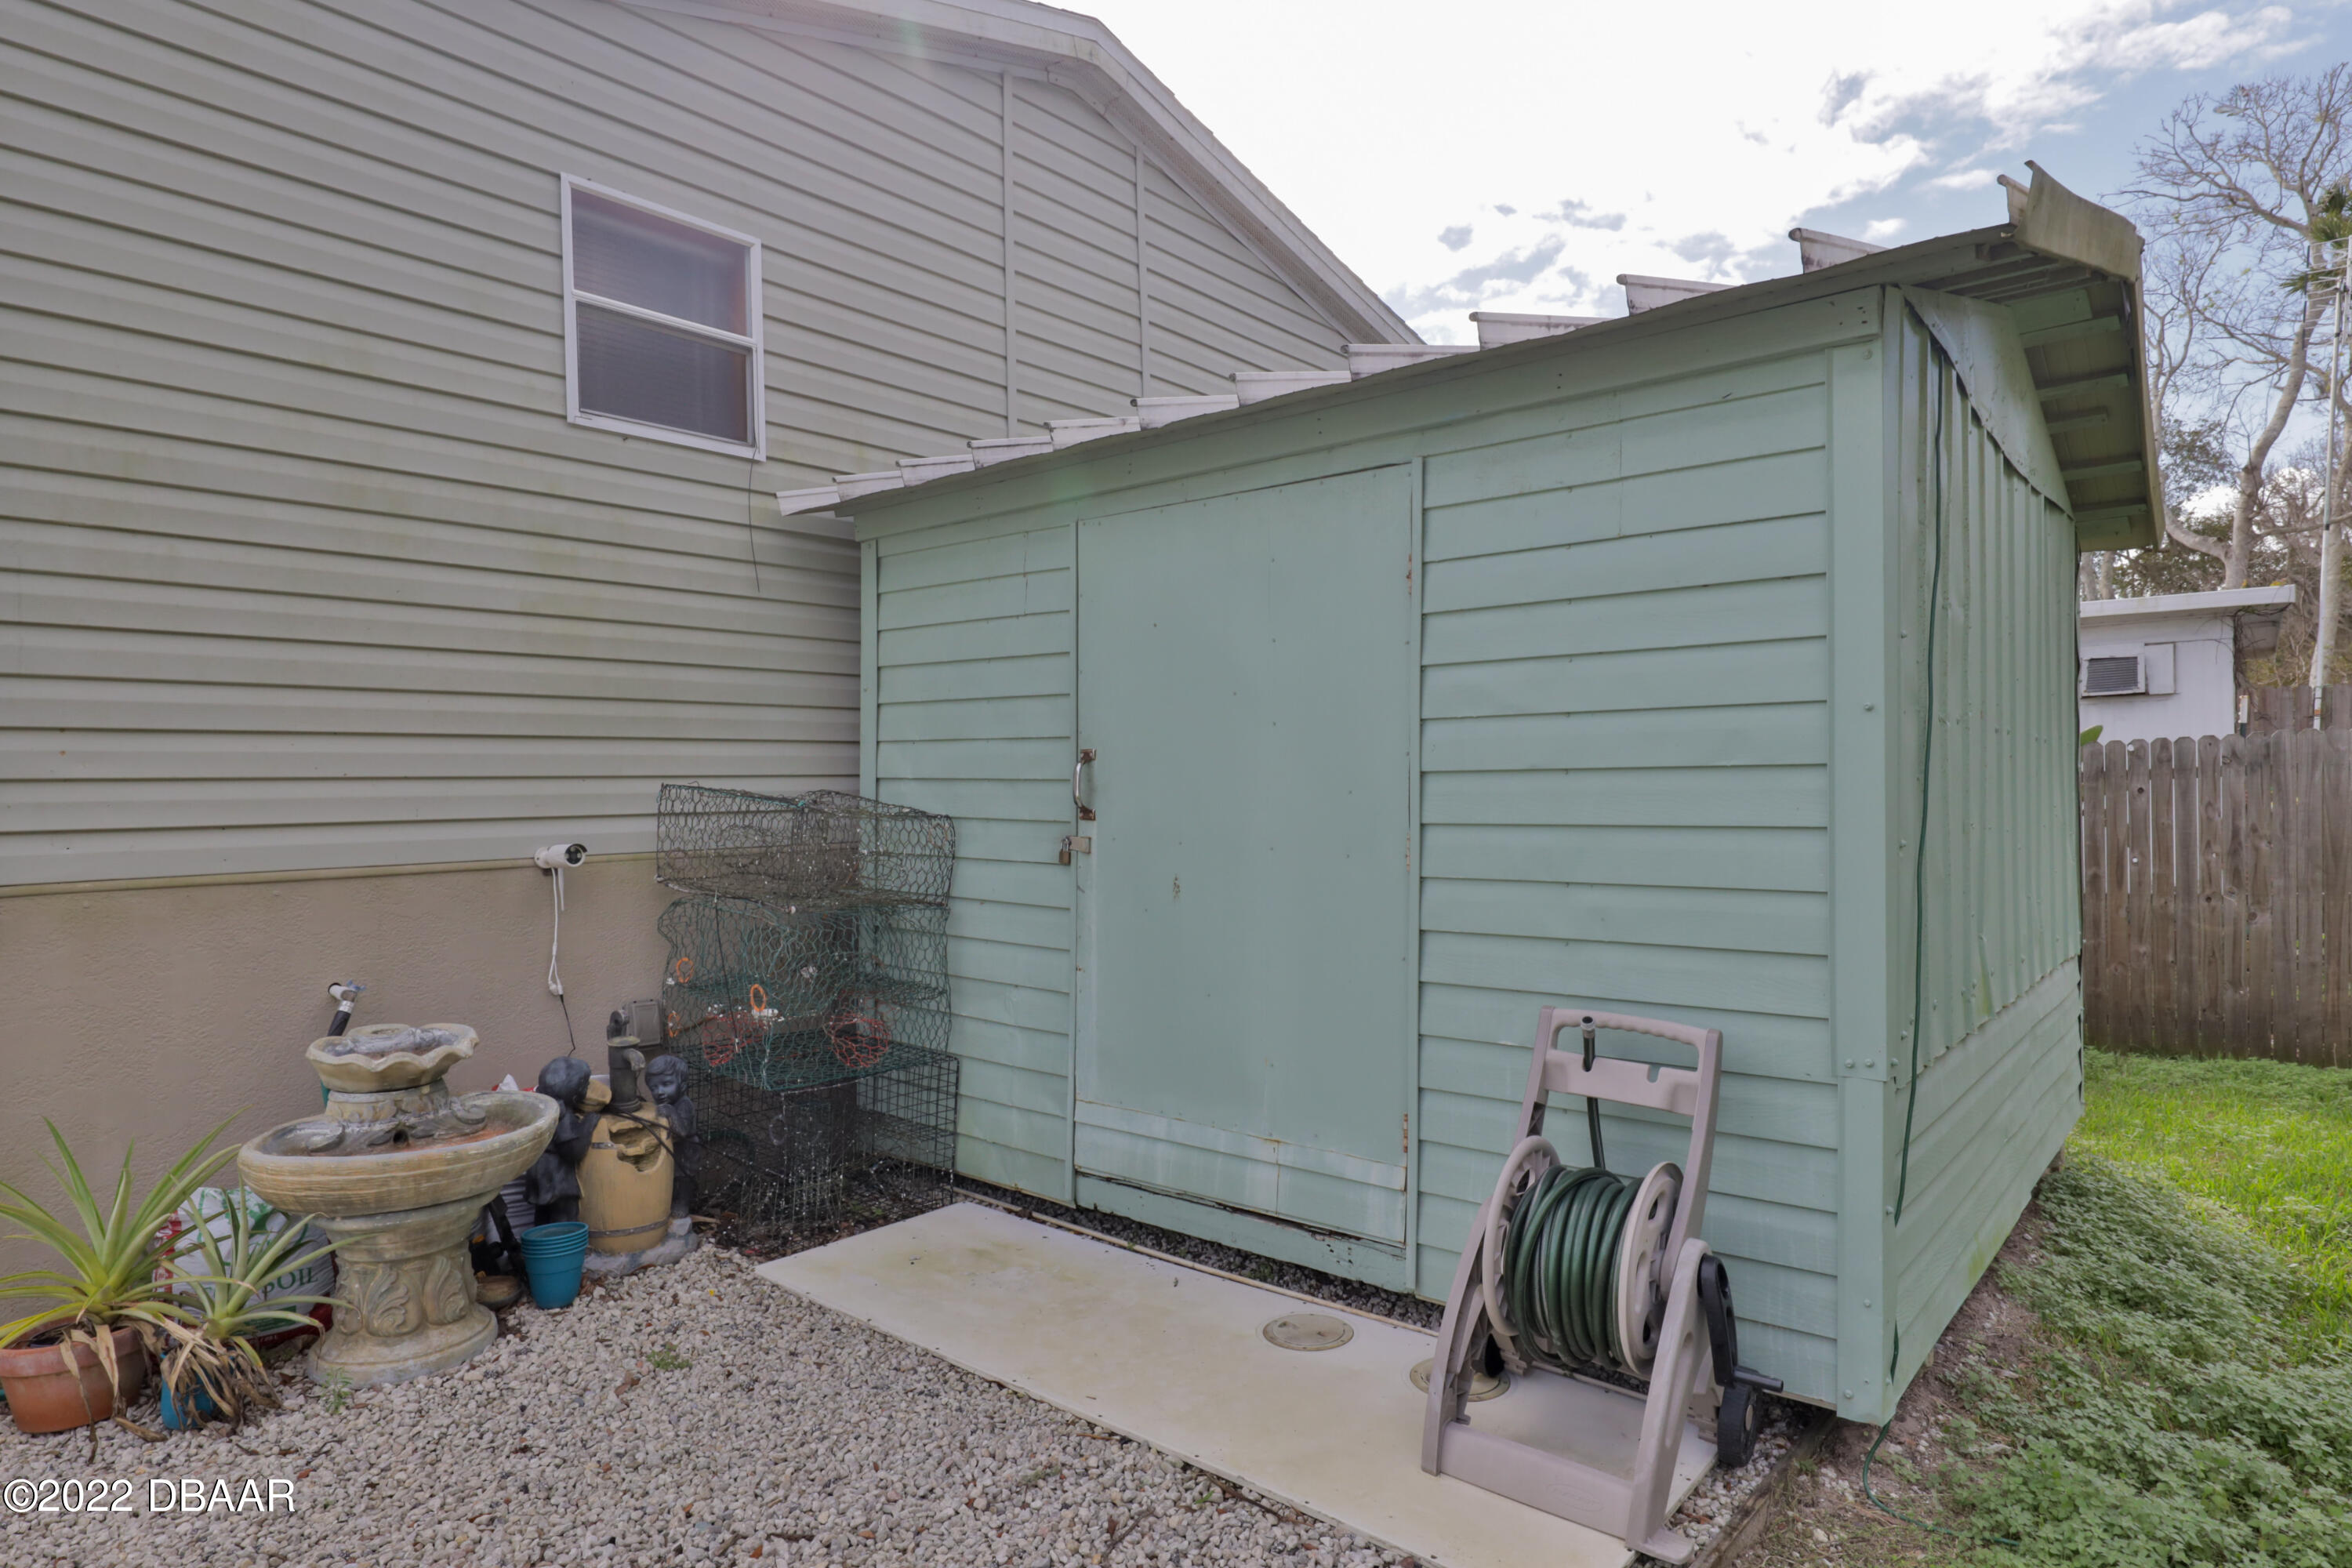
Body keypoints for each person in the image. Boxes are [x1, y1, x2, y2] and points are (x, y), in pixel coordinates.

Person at [524, 1055, 594, 1225]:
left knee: (543, 1216)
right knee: (565, 1216)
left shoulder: (541, 1108)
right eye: (586, 1085)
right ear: (577, 1094)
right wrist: (589, 1123)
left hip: (537, 1172)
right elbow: (573, 1151)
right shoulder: (563, 1115)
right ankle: (562, 1250)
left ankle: (539, 1249)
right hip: (557, 1178)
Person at [645, 1054, 699, 1220]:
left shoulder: (684, 1104)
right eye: (653, 1088)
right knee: (668, 1177)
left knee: (682, 1178)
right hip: (670, 1148)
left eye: (666, 1084)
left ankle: (682, 1203)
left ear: (682, 1085)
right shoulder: (664, 1104)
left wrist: (671, 1112)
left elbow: (682, 1132)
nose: (659, 1092)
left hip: (686, 1150)